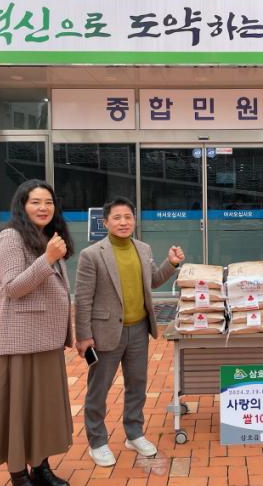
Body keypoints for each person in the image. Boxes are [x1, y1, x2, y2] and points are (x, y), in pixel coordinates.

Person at [74, 196, 185, 466]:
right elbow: (83, 299)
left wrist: (171, 264)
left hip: (138, 330)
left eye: (128, 217)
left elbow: (153, 281)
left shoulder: (143, 249)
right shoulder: (92, 254)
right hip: (105, 332)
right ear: (105, 222)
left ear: (134, 220)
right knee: (98, 390)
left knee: (137, 386)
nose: (123, 222)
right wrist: (83, 335)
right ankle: (97, 441)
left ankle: (134, 433)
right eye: (117, 218)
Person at [0, 179, 74, 486]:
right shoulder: (11, 236)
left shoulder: (48, 237)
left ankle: (40, 467)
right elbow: (12, 288)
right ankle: (19, 474)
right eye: (35, 202)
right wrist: (48, 259)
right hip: (20, 343)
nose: (43, 207)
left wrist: (49, 255)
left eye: (48, 202)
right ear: (22, 205)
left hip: (47, 341)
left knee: (42, 408)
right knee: (19, 410)